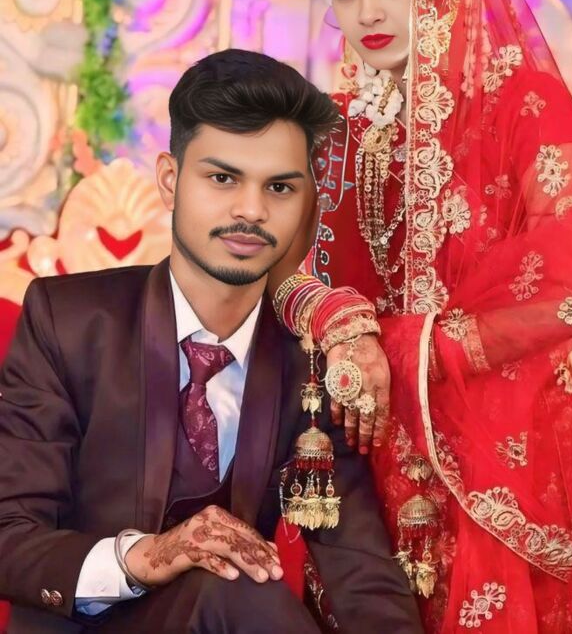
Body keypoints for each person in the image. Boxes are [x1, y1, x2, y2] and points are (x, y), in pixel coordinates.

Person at [269, 0, 572, 633]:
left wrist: (401, 344)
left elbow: (567, 292)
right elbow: (282, 271)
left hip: (491, 451)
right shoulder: (335, 127)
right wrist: (338, 320)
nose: (367, 12)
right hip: (361, 448)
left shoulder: (523, 106)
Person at [0, 49, 423, 634]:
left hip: (233, 619)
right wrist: (148, 556)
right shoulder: (68, 322)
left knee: (240, 591)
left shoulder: (311, 363)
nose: (251, 210)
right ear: (170, 180)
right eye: (223, 178)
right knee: (238, 591)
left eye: (280, 187)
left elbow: (361, 573)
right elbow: (11, 537)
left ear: (308, 201)